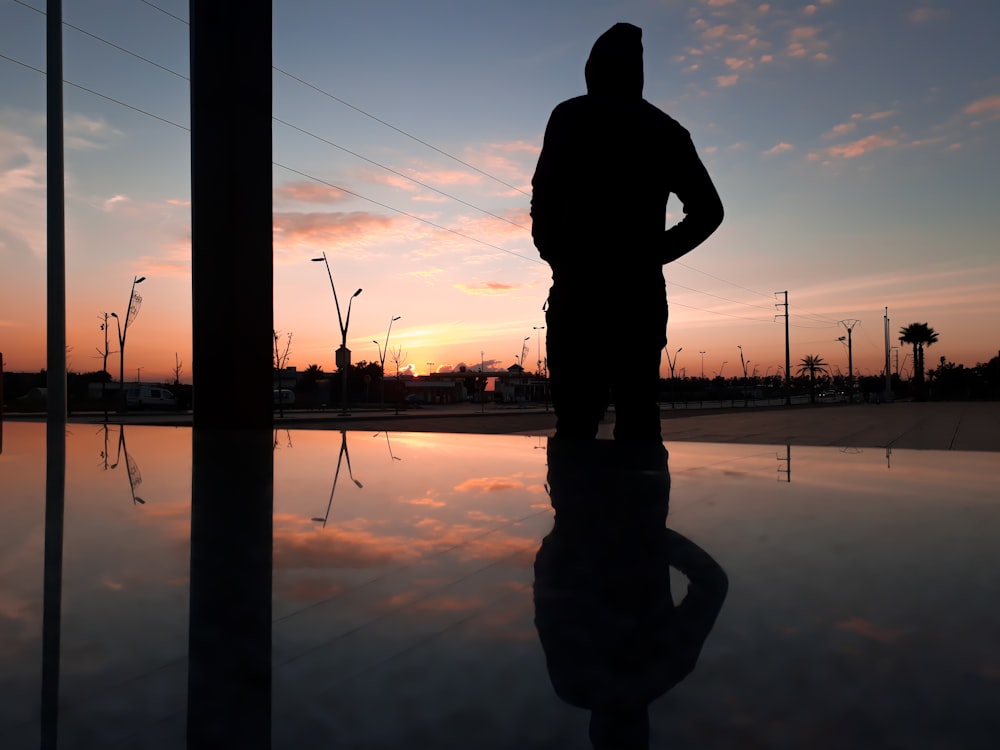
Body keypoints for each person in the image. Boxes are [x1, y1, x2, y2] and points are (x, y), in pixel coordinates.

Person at [531, 22, 724, 442]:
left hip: (594, 293)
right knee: (629, 421)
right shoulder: (661, 129)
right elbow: (542, 194)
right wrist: (649, 254)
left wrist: (557, 253)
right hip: (611, 293)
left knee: (586, 424)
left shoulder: (573, 117)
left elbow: (541, 197)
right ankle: (630, 504)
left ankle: (594, 505)